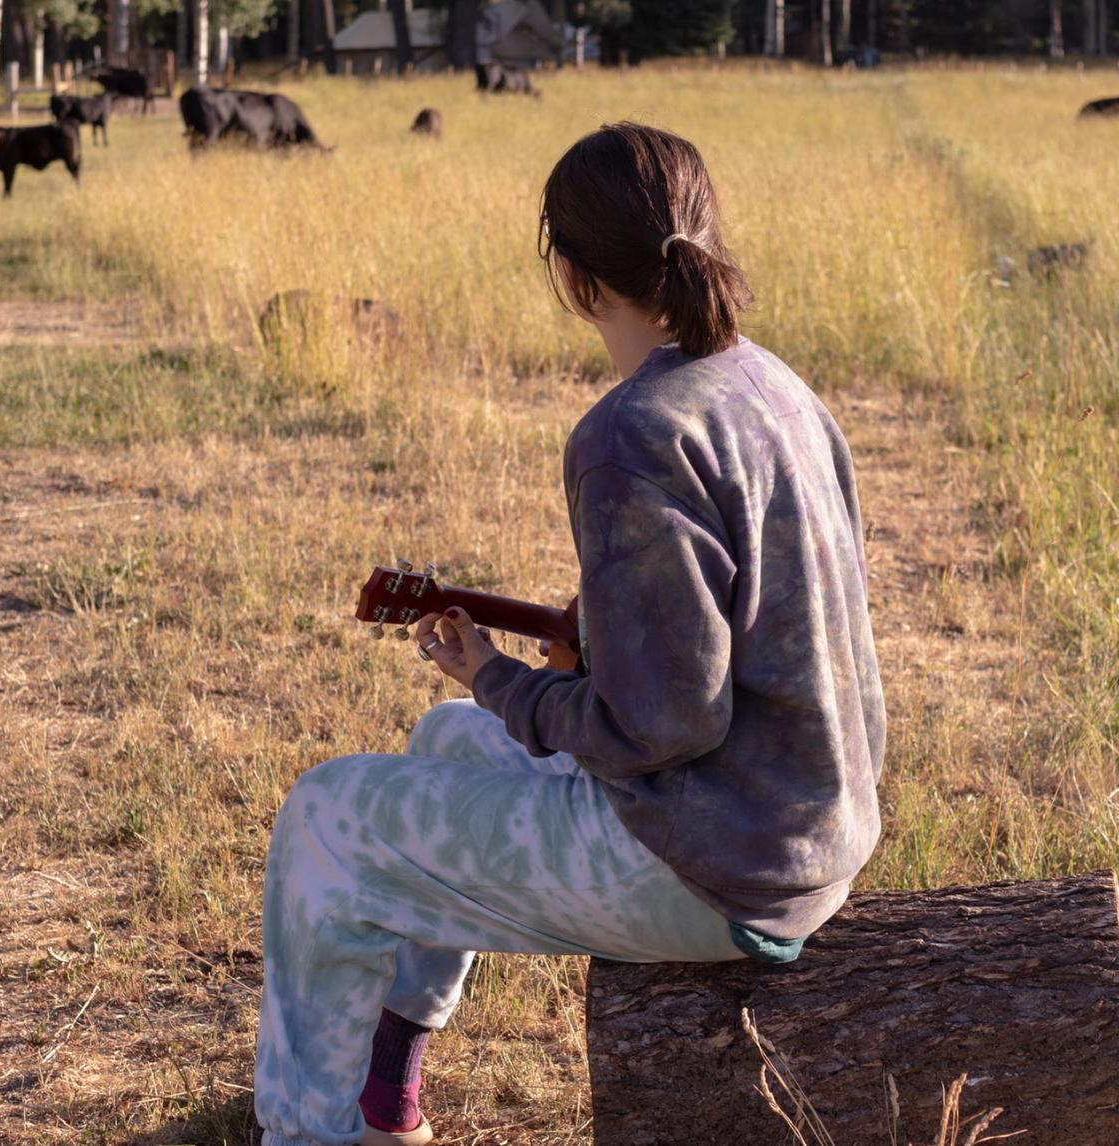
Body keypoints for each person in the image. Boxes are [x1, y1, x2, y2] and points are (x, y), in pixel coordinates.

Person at [254, 121, 886, 1146]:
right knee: (446, 746)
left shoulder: (630, 437)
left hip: (713, 869)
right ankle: (384, 1106)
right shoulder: (775, 387)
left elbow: (667, 722)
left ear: (569, 271)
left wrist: (501, 680)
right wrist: (540, 670)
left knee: (326, 822)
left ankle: (301, 1137)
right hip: (809, 831)